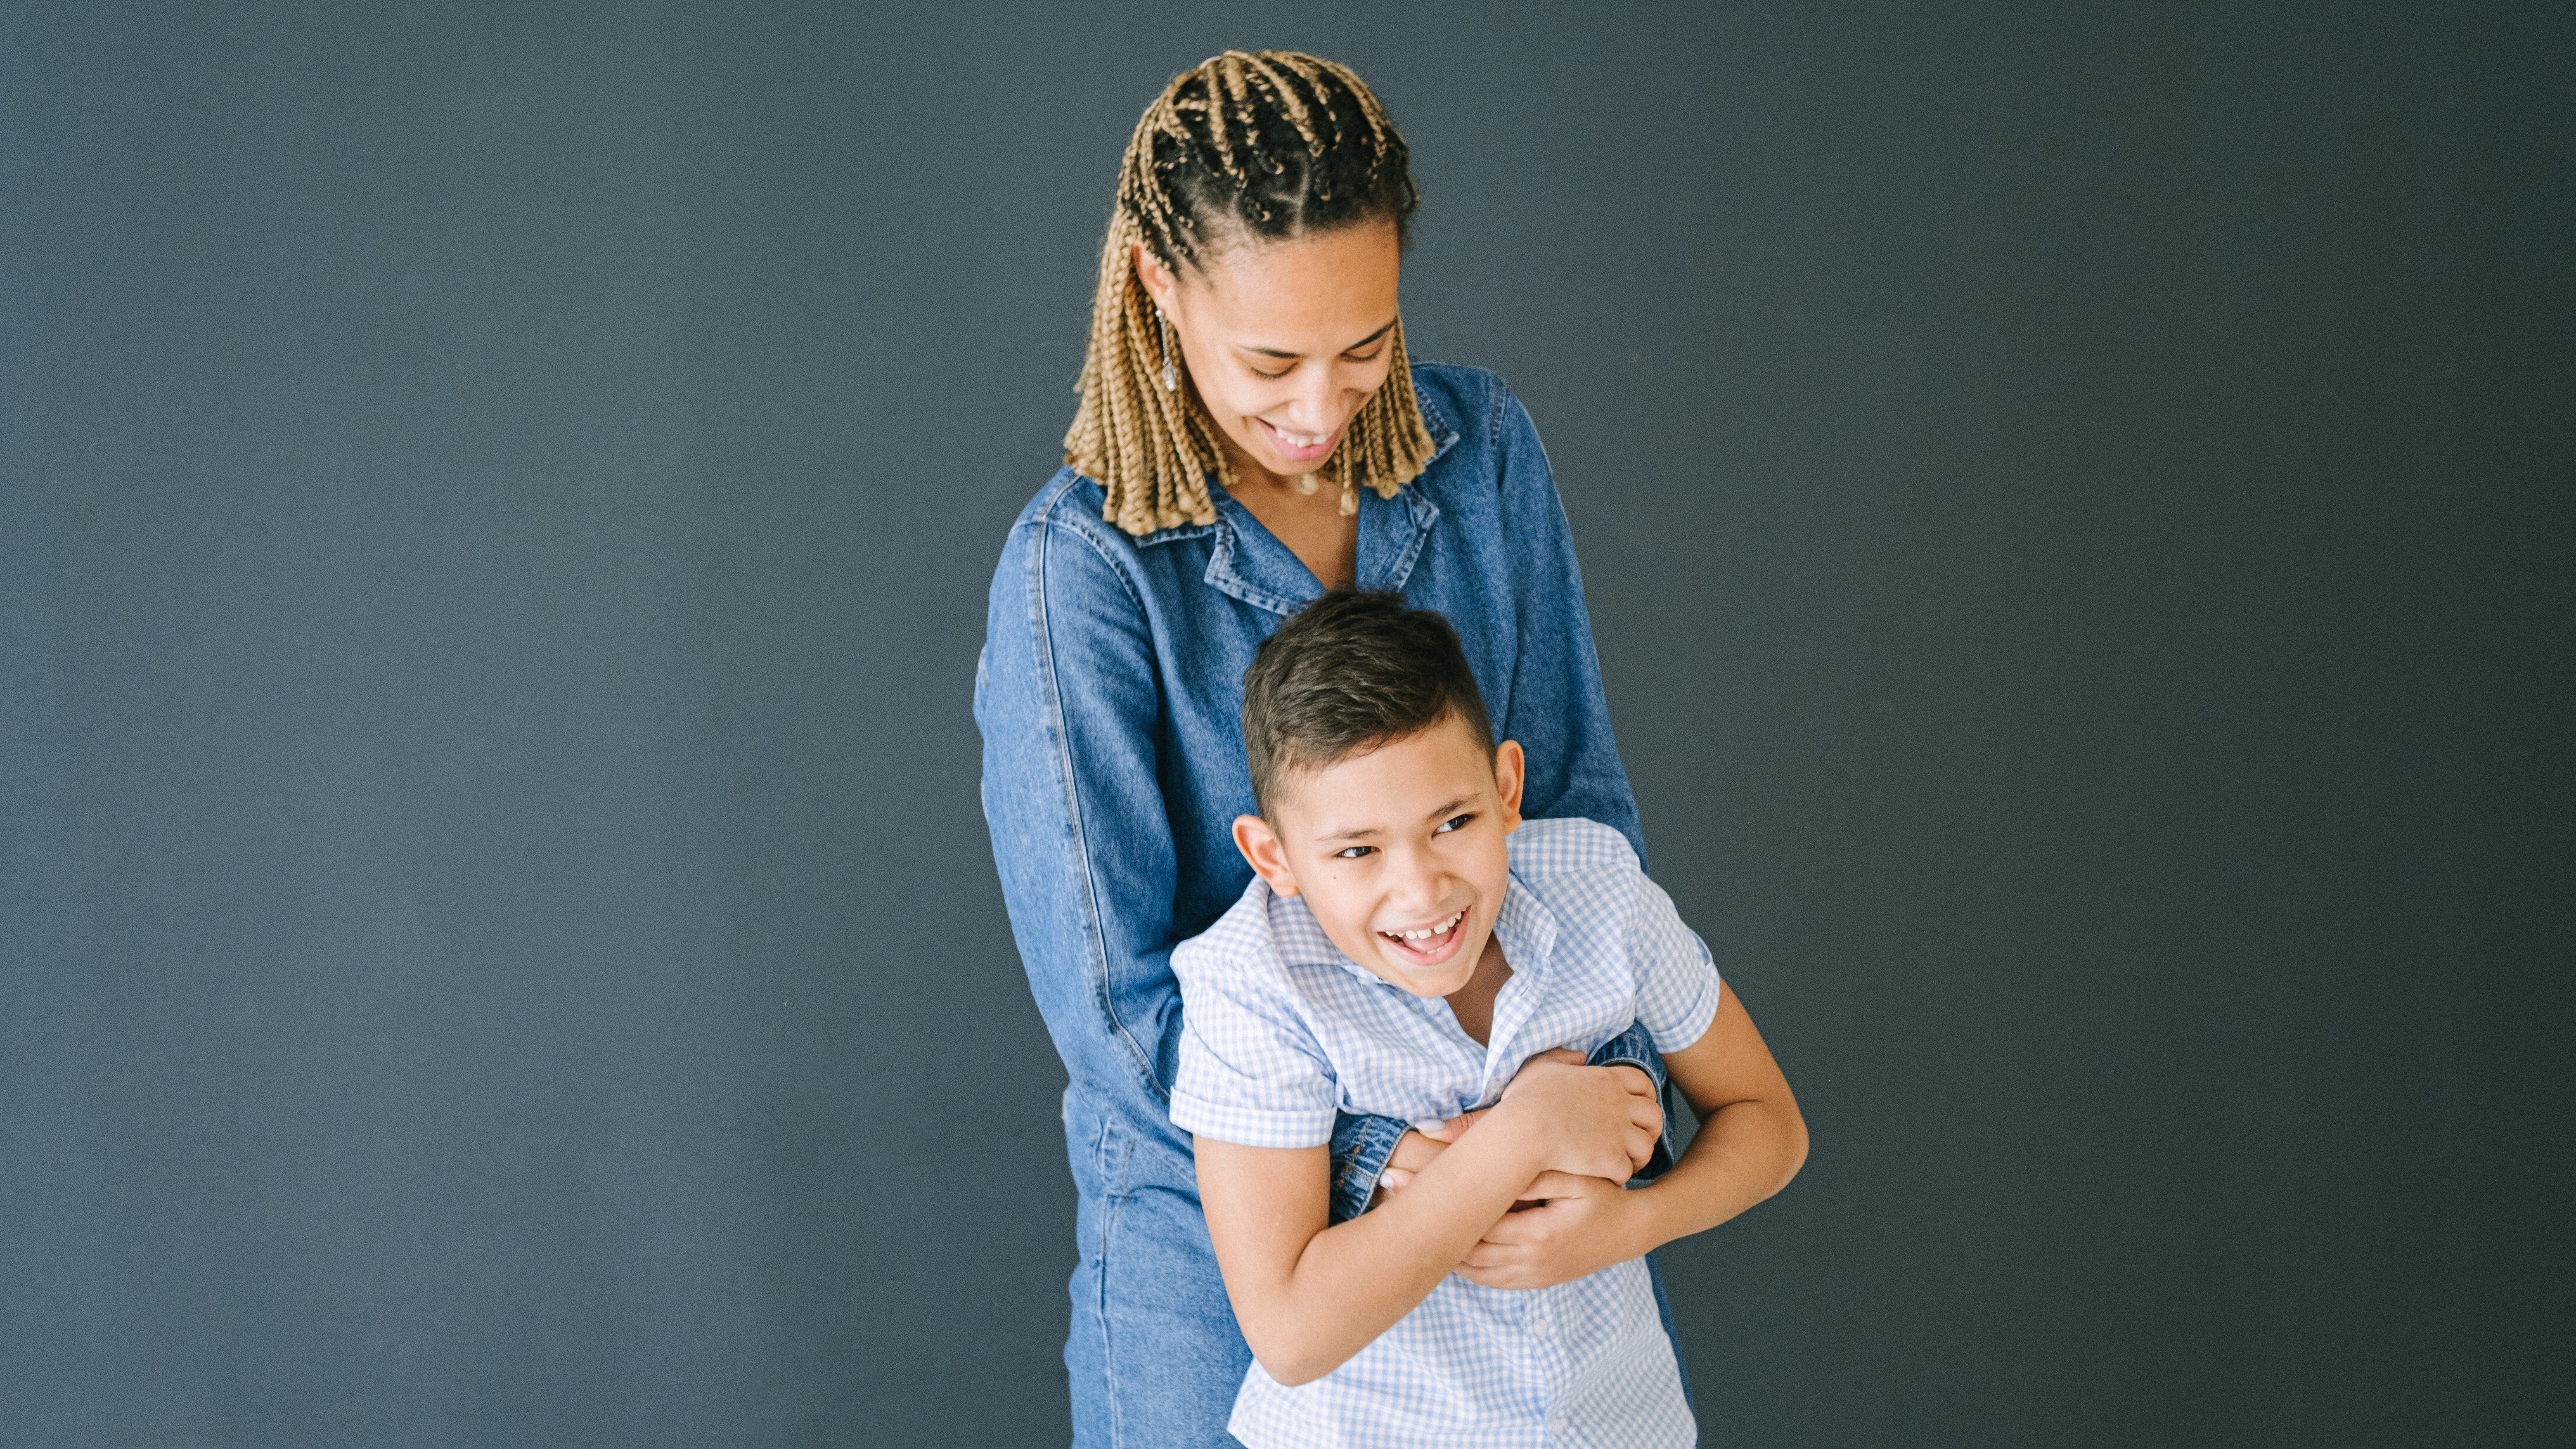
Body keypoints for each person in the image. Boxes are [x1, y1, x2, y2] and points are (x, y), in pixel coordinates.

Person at [978, 50, 1686, 1444]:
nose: (1318, 411)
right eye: (1269, 364)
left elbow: (1583, 827)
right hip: (1223, 1248)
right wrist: (1384, 1156)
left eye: (1366, 348)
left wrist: (1588, 1103)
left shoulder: (1483, 457)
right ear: (1156, 291)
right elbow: (1121, 1014)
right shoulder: (1085, 574)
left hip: (1517, 1182)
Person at [1173, 590, 1807, 1448]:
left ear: (1506, 790)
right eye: (1358, 850)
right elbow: (1291, 1336)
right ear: (1274, 857)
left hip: (1619, 1427)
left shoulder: (1600, 888)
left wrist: (1631, 1225)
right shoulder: (1251, 983)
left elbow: (1770, 1125)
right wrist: (1526, 1134)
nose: (1422, 889)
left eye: (1453, 823)